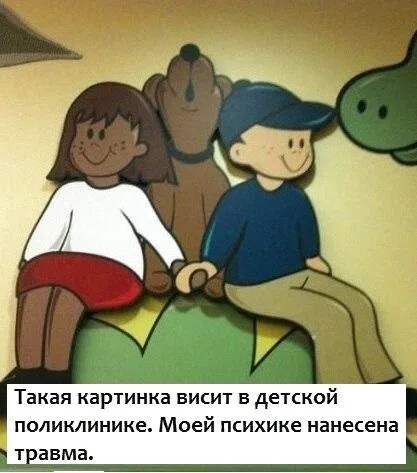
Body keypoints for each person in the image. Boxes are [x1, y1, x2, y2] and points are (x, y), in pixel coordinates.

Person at [176, 81, 402, 387]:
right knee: (330, 317)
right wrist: (206, 266)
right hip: (250, 287)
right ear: (240, 151)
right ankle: (344, 395)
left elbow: (306, 233)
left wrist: (312, 257)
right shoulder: (238, 199)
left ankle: (382, 383)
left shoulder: (296, 197)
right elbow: (220, 243)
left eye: (301, 142)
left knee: (358, 303)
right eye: (286, 143)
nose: (298, 151)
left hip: (296, 274)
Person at [0, 82, 184, 413]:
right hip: (67, 269)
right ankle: (28, 372)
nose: (94, 146)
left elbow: (157, 235)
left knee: (65, 297)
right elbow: (47, 236)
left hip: (116, 276)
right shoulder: (68, 193)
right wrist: (30, 264)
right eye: (86, 135)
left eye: (107, 138)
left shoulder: (131, 196)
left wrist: (178, 265)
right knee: (38, 290)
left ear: (138, 148)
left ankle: (55, 377)